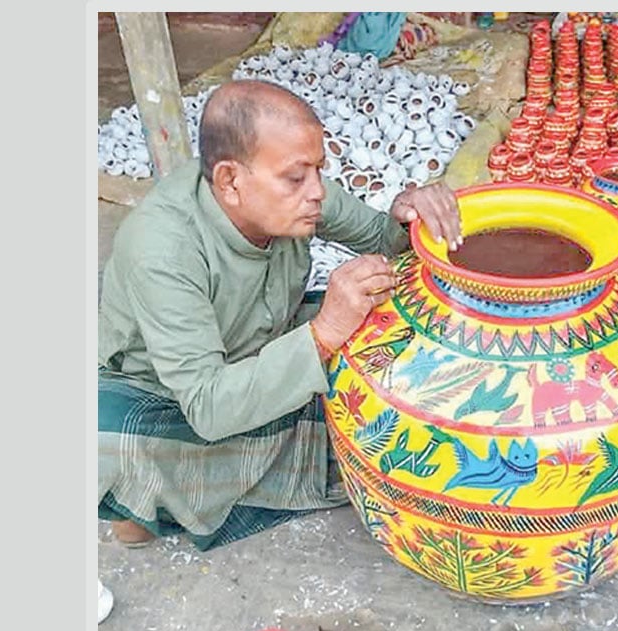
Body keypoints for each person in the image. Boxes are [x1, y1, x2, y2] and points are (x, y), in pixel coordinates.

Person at [97, 79, 464, 551]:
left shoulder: (293, 193)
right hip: (169, 393)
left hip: (264, 341)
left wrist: (410, 215)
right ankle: (149, 500)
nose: (317, 192)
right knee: (111, 444)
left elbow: (385, 242)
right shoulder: (162, 248)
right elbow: (207, 407)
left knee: (388, 337)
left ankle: (185, 491)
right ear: (230, 181)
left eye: (318, 170)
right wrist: (326, 331)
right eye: (296, 177)